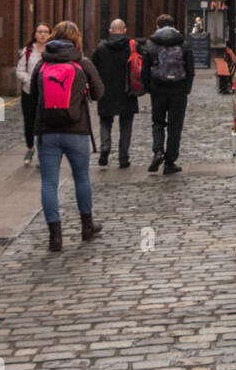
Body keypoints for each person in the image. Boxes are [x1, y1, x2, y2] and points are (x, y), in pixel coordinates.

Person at [30, 21, 105, 251]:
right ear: (77, 39)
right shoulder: (82, 63)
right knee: (81, 178)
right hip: (77, 130)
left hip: (47, 131)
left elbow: (33, 94)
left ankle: (55, 237)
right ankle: (87, 227)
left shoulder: (43, 63)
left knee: (49, 184)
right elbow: (99, 93)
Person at [142, 13, 194, 175]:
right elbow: (190, 69)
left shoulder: (151, 43)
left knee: (157, 122)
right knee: (175, 125)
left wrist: (149, 88)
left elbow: (144, 70)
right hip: (178, 90)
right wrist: (186, 89)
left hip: (158, 90)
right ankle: (170, 161)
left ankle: (157, 151)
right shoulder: (183, 43)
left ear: (157, 27)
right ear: (174, 25)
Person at [90, 19, 138, 169]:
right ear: (124, 30)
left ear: (110, 31)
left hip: (106, 91)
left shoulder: (101, 48)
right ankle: (123, 158)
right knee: (126, 125)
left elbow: (93, 69)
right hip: (127, 91)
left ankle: (105, 148)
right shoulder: (133, 46)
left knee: (105, 121)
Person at [15, 23, 51, 166]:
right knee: (29, 122)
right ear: (35, 34)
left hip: (47, 93)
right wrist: (28, 80)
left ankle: (42, 154)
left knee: (44, 123)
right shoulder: (28, 51)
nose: (42, 34)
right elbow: (19, 71)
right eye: (40, 31)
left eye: (45, 32)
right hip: (29, 92)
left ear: (49, 35)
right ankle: (30, 148)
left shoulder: (52, 51)